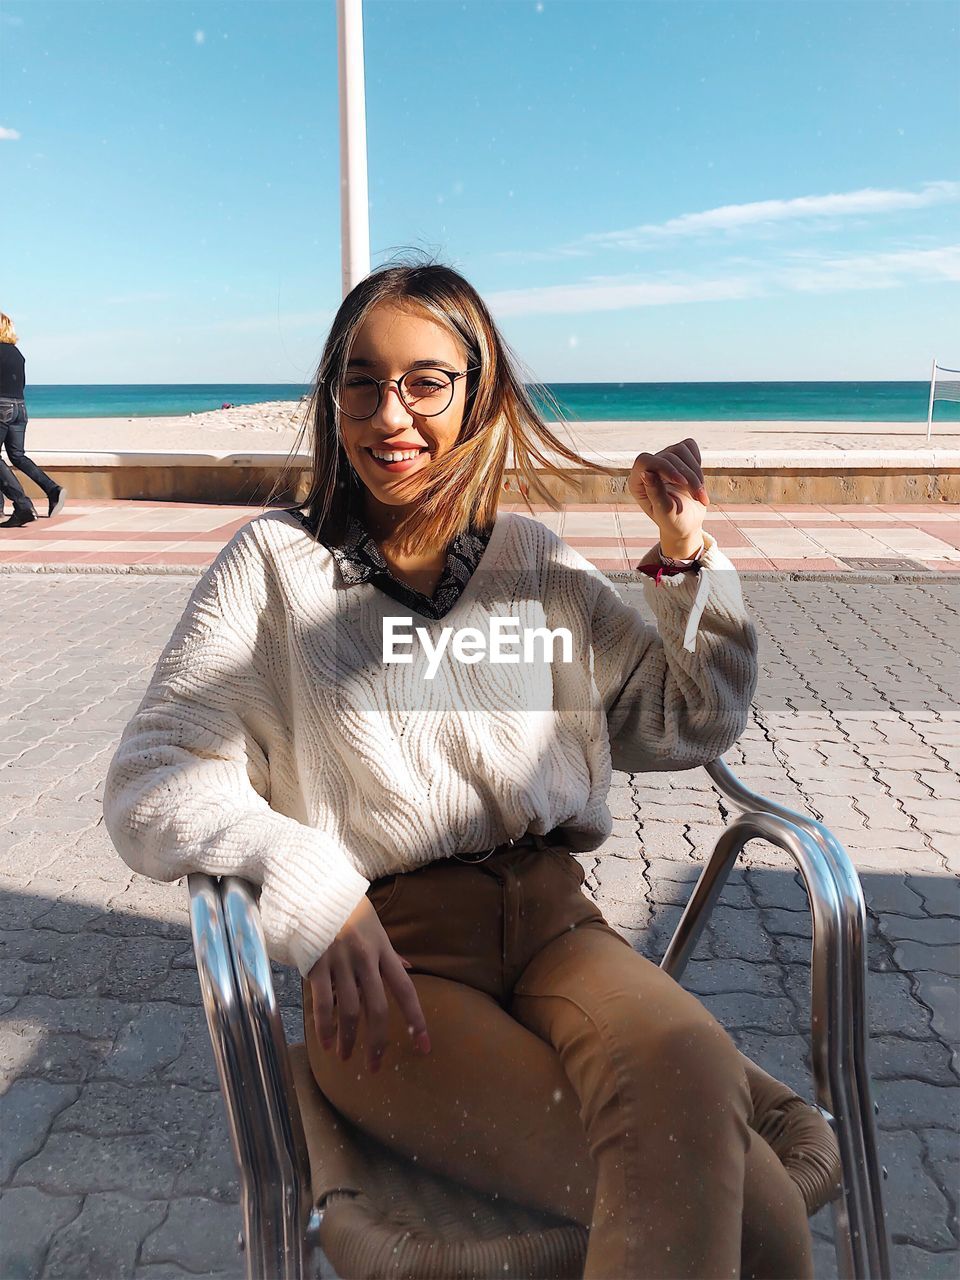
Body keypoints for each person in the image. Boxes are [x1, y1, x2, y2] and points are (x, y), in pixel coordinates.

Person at [103, 258, 817, 1278]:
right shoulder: (273, 567)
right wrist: (312, 884)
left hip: (560, 928)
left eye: (426, 380)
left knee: (695, 1061)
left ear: (477, 395)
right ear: (333, 395)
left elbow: (684, 718)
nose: (390, 413)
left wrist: (686, 552)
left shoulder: (530, 563)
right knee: (756, 1217)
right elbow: (152, 775)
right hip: (392, 964)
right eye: (362, 380)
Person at [0, 312, 66, 528]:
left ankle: (22, 505)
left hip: (2, 407)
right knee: (17, 456)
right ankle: (52, 489)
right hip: (20, 408)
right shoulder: (17, 354)